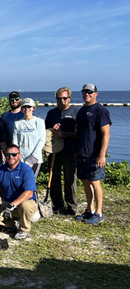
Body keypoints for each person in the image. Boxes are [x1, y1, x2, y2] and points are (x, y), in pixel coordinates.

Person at [75, 83, 111, 225]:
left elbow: (106, 134)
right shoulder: (82, 110)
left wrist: (102, 155)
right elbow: (80, 133)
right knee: (85, 181)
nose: (87, 94)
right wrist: (77, 151)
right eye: (84, 91)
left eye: (90, 91)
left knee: (95, 182)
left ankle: (99, 213)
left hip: (94, 155)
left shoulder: (100, 110)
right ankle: (89, 210)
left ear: (96, 93)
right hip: (82, 154)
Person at [0, 144, 38, 240]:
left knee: (26, 206)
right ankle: (10, 225)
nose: (11, 157)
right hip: (7, 203)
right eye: (8, 154)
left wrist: (12, 205)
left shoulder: (26, 170)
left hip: (23, 203)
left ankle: (24, 229)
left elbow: (29, 193)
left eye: (14, 154)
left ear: (19, 155)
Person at [45, 87, 79, 215]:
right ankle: (58, 205)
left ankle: (72, 206)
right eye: (59, 98)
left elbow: (80, 133)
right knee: (54, 178)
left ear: (69, 98)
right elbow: (46, 132)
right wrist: (52, 129)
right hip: (54, 150)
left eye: (64, 98)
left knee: (70, 179)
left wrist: (65, 133)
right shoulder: (51, 113)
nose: (62, 100)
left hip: (70, 151)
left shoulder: (76, 112)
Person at [12, 98, 46, 176]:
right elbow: (15, 142)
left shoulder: (39, 122)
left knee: (30, 183)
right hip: (20, 158)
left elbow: (41, 140)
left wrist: (31, 159)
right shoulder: (18, 123)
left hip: (35, 159)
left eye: (29, 107)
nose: (27, 109)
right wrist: (18, 157)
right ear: (21, 108)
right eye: (24, 107)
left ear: (33, 108)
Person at [0, 91, 24, 158]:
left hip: (25, 152)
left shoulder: (26, 115)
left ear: (20, 99)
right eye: (12, 99)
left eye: (16, 99)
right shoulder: (4, 116)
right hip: (11, 153)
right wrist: (5, 154)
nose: (14, 101)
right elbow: (2, 139)